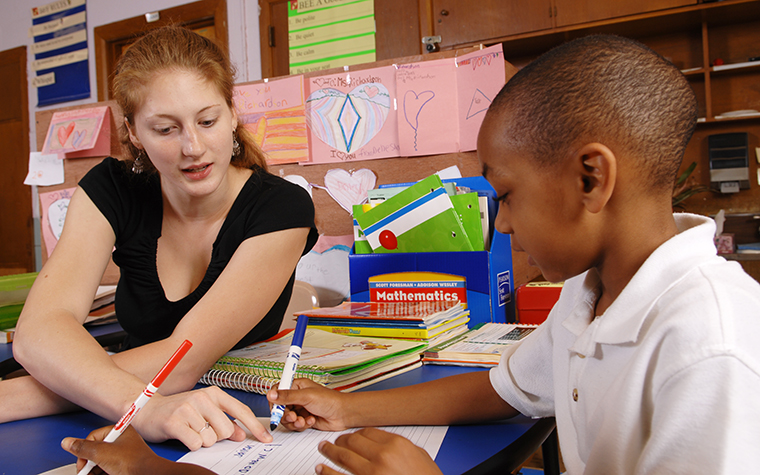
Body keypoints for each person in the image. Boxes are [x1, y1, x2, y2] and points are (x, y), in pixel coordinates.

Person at [60, 34, 760, 474]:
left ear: (590, 177)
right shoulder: (593, 294)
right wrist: (349, 409)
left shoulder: (709, 350)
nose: (502, 224)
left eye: (506, 195)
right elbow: (506, 386)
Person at [3, 25, 318, 451]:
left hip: (236, 418)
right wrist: (142, 408)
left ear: (231, 113)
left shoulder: (283, 207)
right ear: (134, 133)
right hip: (131, 407)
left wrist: (14, 396)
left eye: (207, 121)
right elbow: (38, 332)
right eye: (165, 129)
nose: (193, 146)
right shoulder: (112, 188)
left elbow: (182, 359)